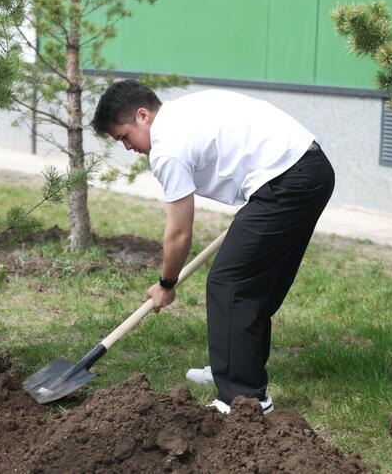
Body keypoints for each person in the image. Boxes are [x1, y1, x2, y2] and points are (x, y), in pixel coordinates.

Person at [92, 81, 335, 414]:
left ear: (143, 115)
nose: (128, 147)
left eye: (124, 137)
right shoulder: (186, 109)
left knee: (230, 284)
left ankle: (242, 397)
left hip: (287, 180)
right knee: (256, 287)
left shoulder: (168, 147)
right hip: (310, 169)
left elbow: (179, 233)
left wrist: (166, 283)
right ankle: (233, 366)